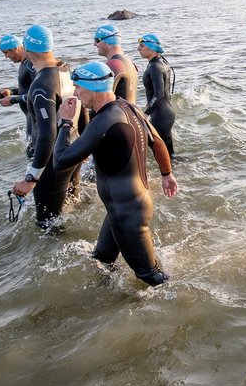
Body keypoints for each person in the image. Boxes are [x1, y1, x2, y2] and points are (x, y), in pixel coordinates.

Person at [52, 61, 178, 287]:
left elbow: (60, 162)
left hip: (127, 213)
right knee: (102, 259)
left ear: (93, 88)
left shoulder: (103, 121)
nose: (76, 94)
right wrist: (166, 174)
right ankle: (104, 304)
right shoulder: (127, 107)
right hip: (127, 206)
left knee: (152, 277)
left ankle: (185, 310)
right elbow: (158, 142)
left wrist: (65, 122)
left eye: (78, 88)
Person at [10, 24, 81, 228]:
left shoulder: (41, 84)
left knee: (47, 224)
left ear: (27, 49)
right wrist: (84, 145)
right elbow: (81, 108)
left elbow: (46, 134)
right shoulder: (66, 69)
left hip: (54, 160)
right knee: (70, 205)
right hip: (73, 150)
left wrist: (32, 178)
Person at [0, 33, 36, 152]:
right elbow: (31, 88)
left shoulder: (30, 64)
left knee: (33, 154)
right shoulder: (24, 64)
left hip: (36, 118)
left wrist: (13, 100)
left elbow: (41, 92)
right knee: (31, 154)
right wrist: (11, 92)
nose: (6, 57)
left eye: (6, 53)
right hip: (30, 118)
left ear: (16, 48)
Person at [138, 33, 176, 157]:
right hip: (166, 113)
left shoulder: (154, 66)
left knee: (161, 154)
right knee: (169, 153)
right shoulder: (162, 62)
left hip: (160, 116)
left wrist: (145, 114)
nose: (138, 49)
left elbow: (158, 94)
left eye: (142, 46)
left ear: (152, 47)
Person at [93, 24, 139, 104]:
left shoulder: (113, 64)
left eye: (97, 40)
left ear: (109, 41)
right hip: (131, 113)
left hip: (117, 115)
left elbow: (101, 99)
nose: (94, 44)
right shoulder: (128, 61)